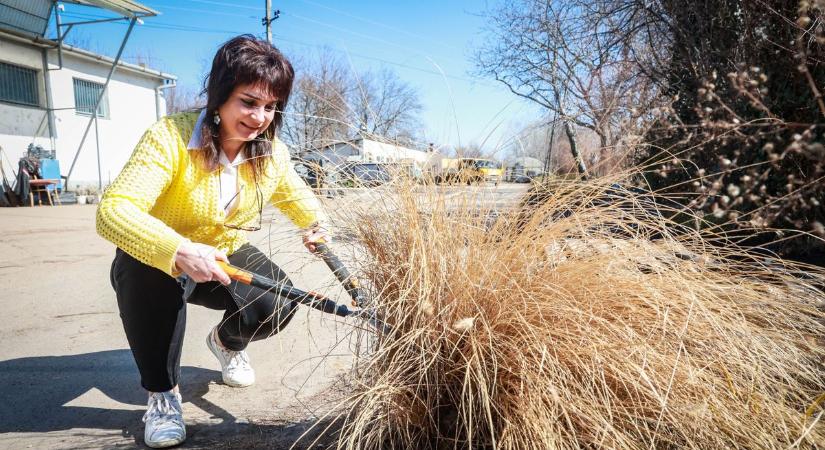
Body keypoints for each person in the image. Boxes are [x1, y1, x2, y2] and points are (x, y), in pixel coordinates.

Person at [96, 35, 329, 449]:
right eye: (249, 101)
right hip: (161, 252)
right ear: (220, 95)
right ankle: (163, 395)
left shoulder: (270, 152)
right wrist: (179, 250)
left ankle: (225, 343)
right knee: (150, 282)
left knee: (279, 301)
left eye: (271, 106)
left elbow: (297, 196)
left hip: (222, 249)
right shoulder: (169, 137)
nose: (260, 117)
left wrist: (315, 225)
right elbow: (114, 210)